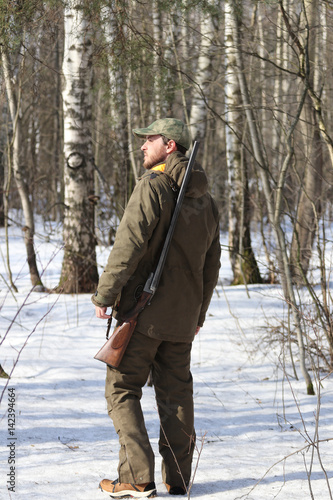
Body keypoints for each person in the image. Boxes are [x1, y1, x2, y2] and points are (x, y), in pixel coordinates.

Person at [92, 118, 221, 498]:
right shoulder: (207, 201)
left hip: (144, 315)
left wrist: (104, 295)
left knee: (121, 388)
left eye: (150, 139)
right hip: (183, 320)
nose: (143, 146)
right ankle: (178, 477)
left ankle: (136, 477)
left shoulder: (154, 186)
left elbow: (128, 246)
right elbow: (211, 266)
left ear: (170, 146)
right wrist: (197, 316)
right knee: (176, 395)